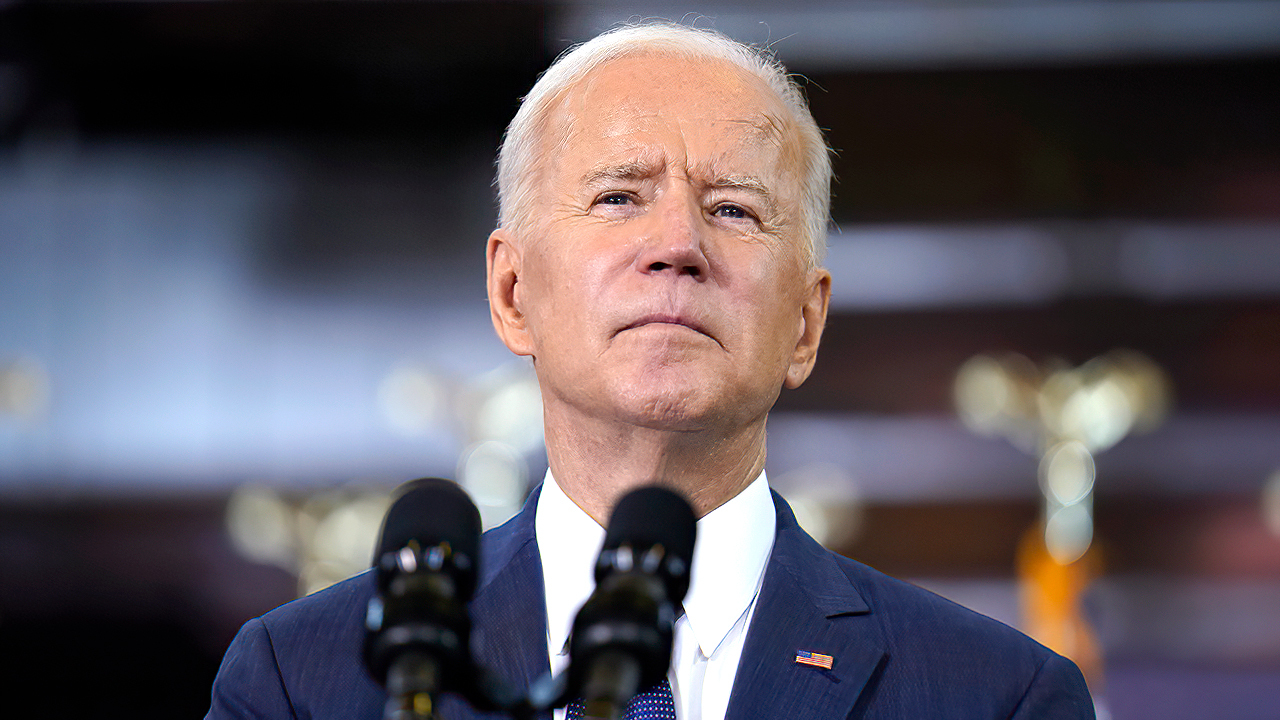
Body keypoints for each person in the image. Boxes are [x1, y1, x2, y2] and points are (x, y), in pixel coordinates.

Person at [205, 21, 1095, 720]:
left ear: (805, 322)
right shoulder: (303, 683)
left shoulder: (994, 698)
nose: (677, 246)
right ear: (513, 292)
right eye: (620, 197)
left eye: (734, 209)